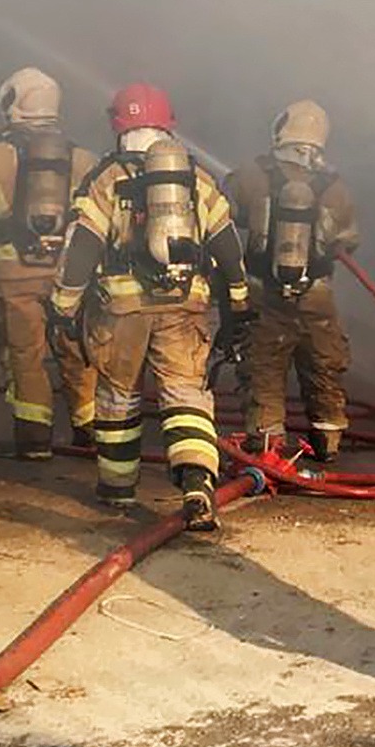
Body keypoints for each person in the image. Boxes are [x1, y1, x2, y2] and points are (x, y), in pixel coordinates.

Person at [46, 83, 253, 530]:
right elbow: (227, 245)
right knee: (186, 394)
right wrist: (238, 302)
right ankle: (197, 483)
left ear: (118, 125)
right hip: (185, 304)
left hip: (120, 312)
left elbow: (81, 249)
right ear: (168, 124)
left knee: (118, 398)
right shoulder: (196, 178)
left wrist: (62, 306)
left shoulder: (107, 178)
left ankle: (117, 489)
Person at [0, 68, 99, 459]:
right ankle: (92, 430)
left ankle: (34, 440)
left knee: (24, 355)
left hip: (11, 275)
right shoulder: (85, 159)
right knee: (77, 349)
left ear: (11, 102)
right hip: (70, 275)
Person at [224, 99, 360, 462]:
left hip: (263, 293)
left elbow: (226, 212)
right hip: (316, 296)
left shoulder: (252, 174)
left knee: (263, 368)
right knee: (323, 366)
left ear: (280, 130)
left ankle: (267, 444)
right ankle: (328, 440)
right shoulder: (335, 186)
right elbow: (349, 239)